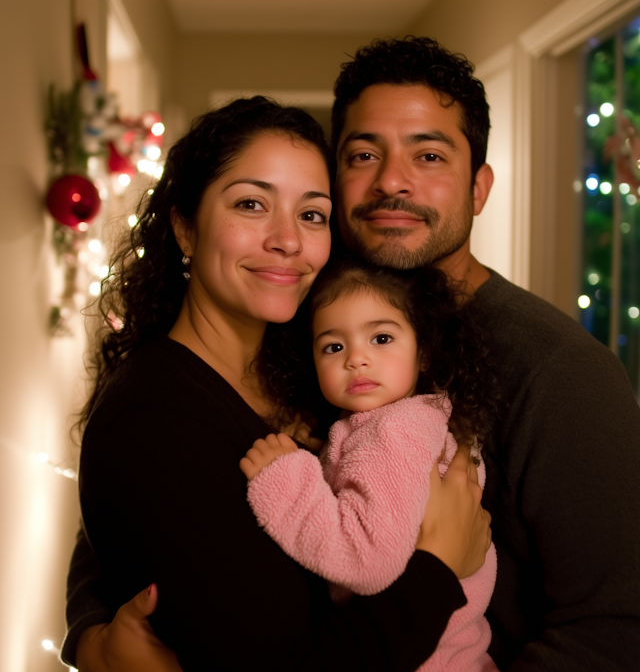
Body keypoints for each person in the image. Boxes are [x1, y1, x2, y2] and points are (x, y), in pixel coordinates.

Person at [65, 36, 640, 671]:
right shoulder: (304, 324)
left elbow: (611, 632)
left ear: (478, 189)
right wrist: (94, 629)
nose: (393, 181)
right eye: (365, 154)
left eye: (428, 154)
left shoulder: (561, 373)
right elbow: (151, 504)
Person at [66, 95, 491, 672]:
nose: (288, 240)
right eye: (251, 204)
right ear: (185, 228)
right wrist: (441, 565)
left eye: (311, 214)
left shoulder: (315, 367)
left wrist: (87, 624)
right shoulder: (156, 416)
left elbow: (131, 535)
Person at [240, 257, 499, 672]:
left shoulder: (394, 433)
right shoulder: (413, 419)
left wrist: (287, 479)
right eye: (334, 346)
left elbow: (367, 561)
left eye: (380, 338)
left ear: (424, 352)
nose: (356, 359)